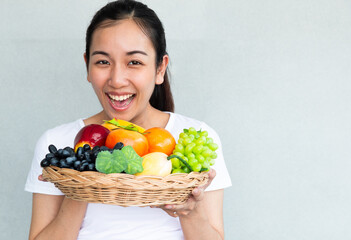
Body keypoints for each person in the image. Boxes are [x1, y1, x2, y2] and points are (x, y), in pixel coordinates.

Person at [25, 0, 232, 239]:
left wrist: (190, 210)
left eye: (134, 62)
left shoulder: (193, 137)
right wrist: (80, 183)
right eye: (103, 62)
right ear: (87, 66)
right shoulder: (59, 144)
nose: (117, 79)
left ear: (159, 69)